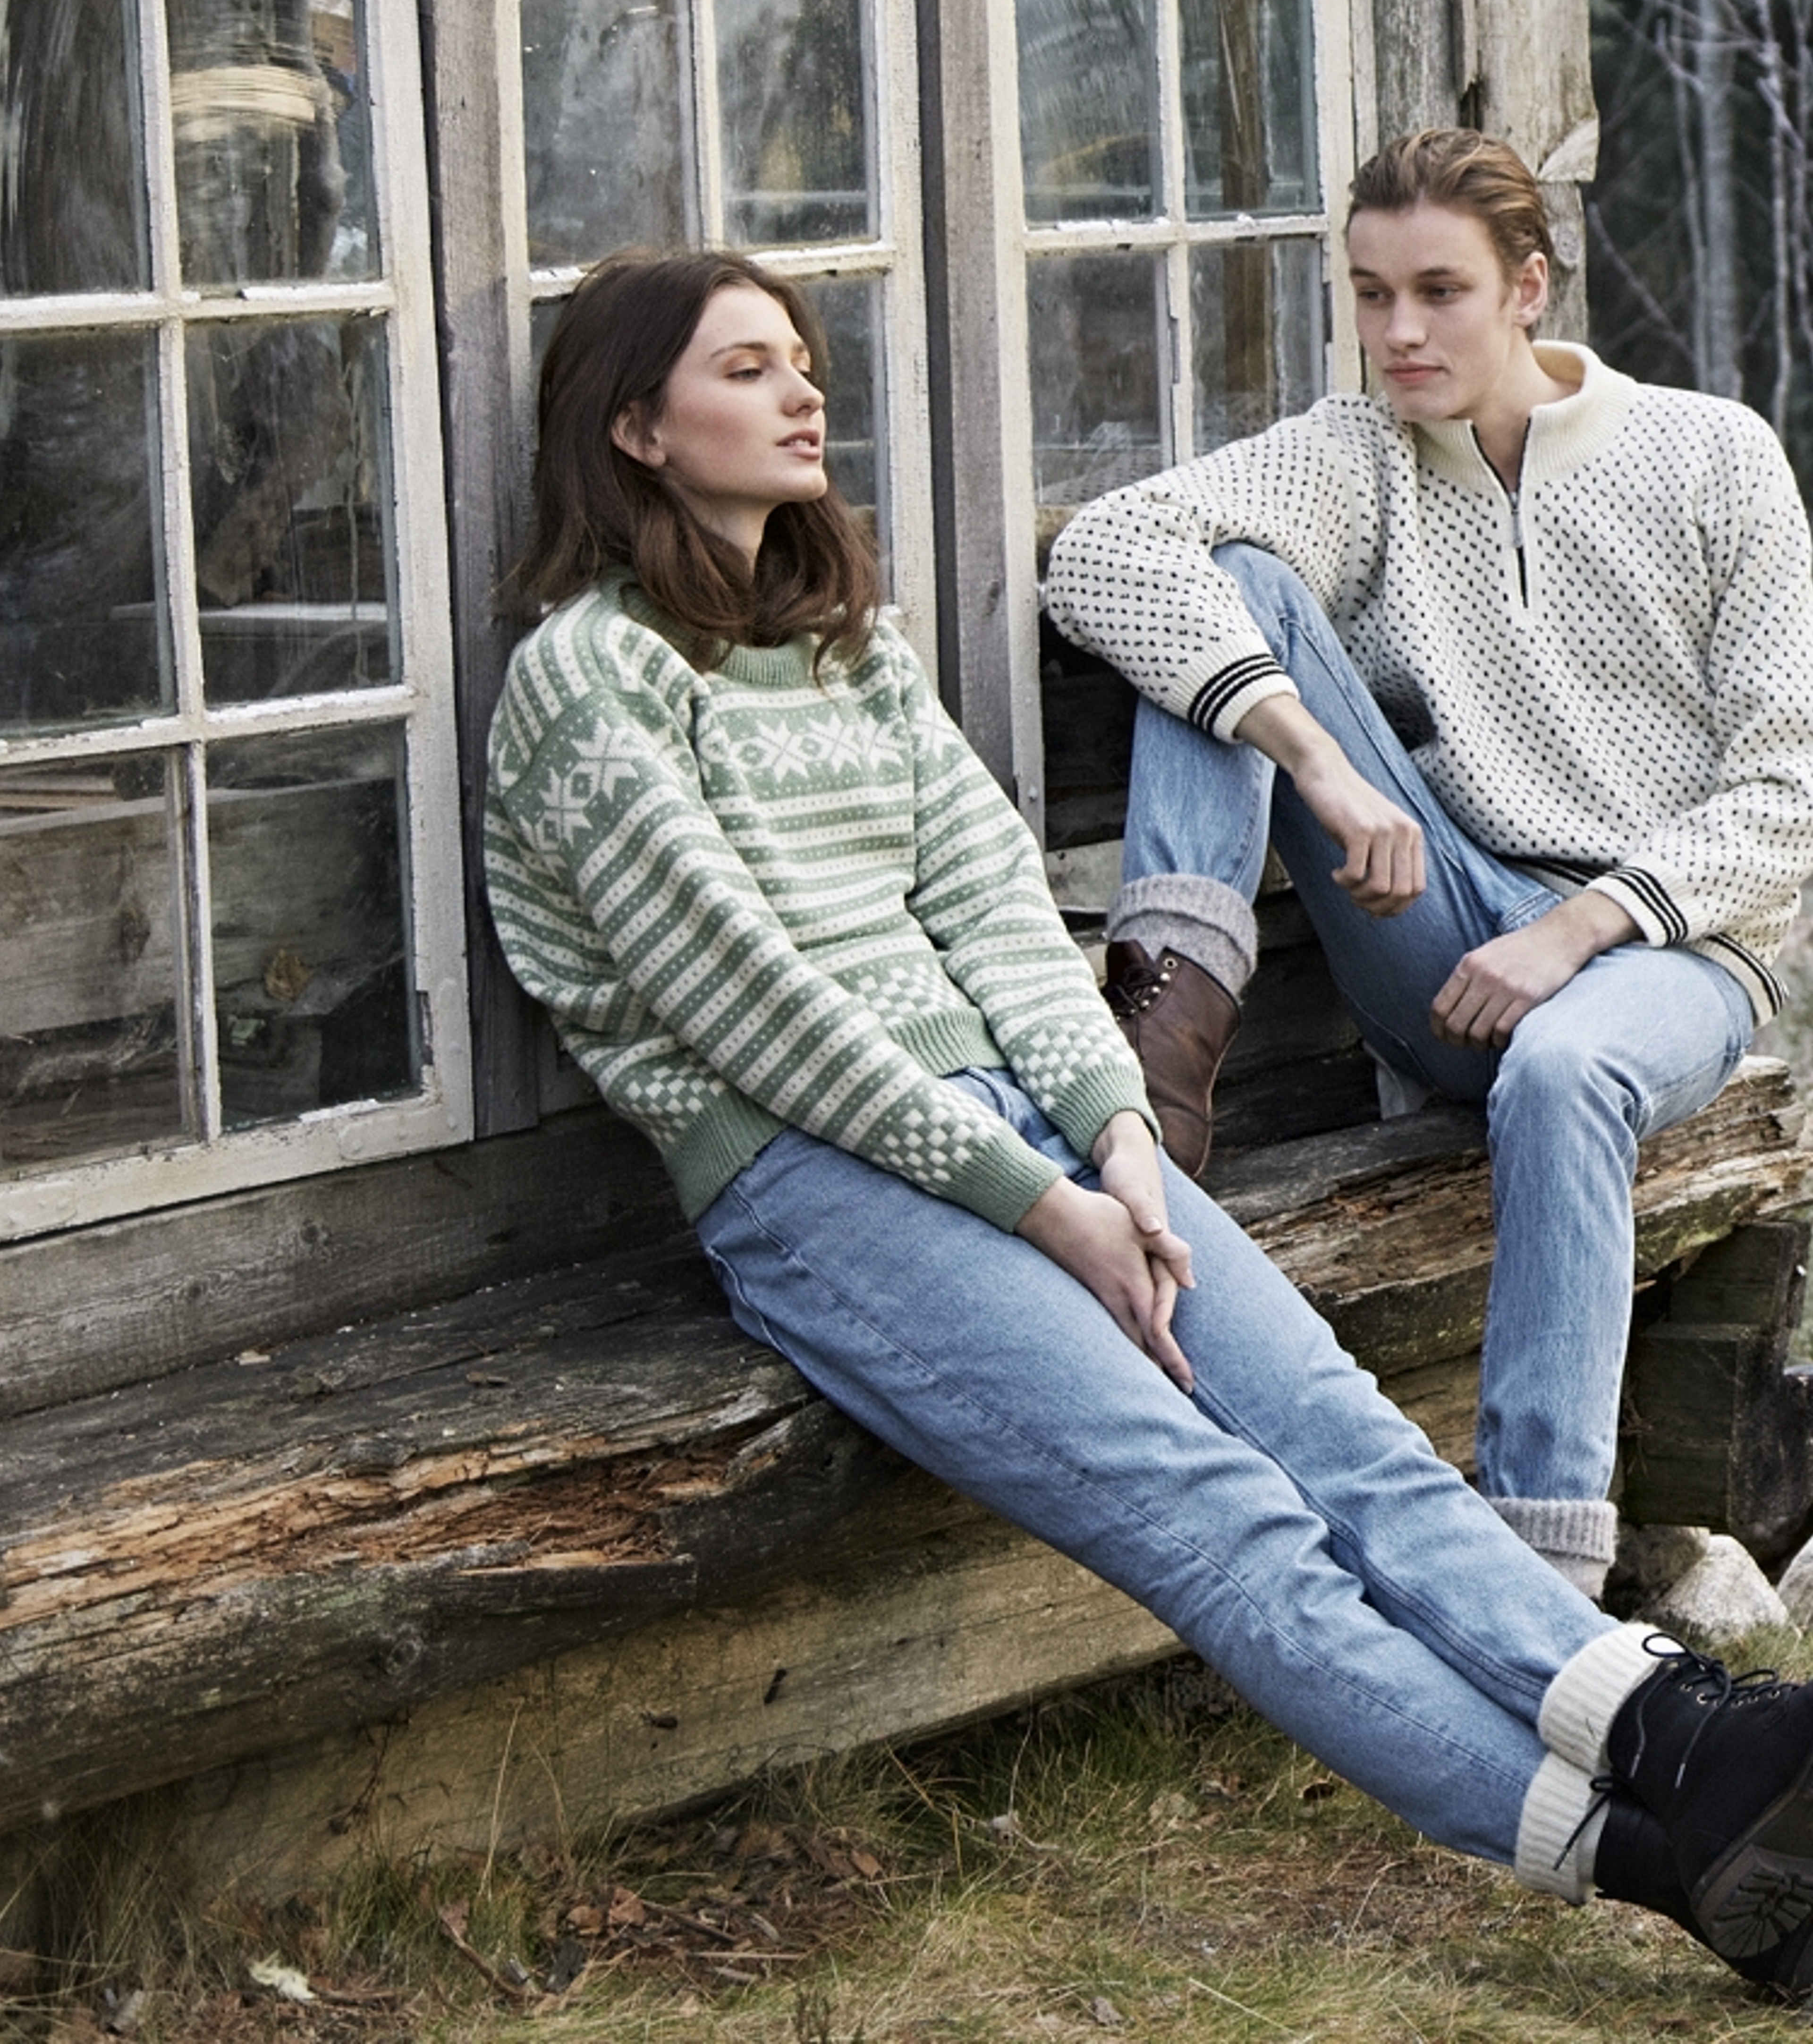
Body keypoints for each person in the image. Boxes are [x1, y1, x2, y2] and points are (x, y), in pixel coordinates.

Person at [483, 242, 1813, 2001]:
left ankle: (1674, 1740)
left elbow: (994, 919)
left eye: (801, 357)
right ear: (637, 429)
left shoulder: (846, 656)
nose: (805, 390)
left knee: (1343, 1436)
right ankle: (1664, 1851)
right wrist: (1050, 1209)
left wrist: (1115, 1136)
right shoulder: (588, 684)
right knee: (1224, 1524)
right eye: (747, 369)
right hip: (816, 1182)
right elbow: (754, 1013)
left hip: (1033, 1130)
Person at [1045, 128, 1813, 1604]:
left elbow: (1789, 786)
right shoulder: (1360, 453)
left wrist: (1585, 927)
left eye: (1441, 293)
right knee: (1233, 579)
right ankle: (1162, 1070)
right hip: (1446, 936)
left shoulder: (1714, 454)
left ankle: (1539, 1581)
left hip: (1673, 956)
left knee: (1568, 1071)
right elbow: (1110, 556)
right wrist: (1318, 761)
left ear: (1527, 289)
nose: (1400, 334)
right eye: (1371, 293)